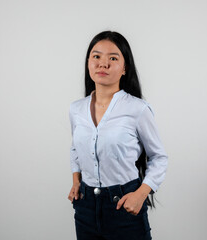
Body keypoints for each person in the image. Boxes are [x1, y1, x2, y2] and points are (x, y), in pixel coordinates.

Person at [67, 30, 168, 240]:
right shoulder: (76, 109)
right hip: (85, 208)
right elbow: (76, 148)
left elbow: (159, 158)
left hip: (124, 204)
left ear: (124, 68)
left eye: (113, 58)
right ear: (88, 63)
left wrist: (141, 195)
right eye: (96, 56)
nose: (103, 64)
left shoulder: (137, 109)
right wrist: (76, 179)